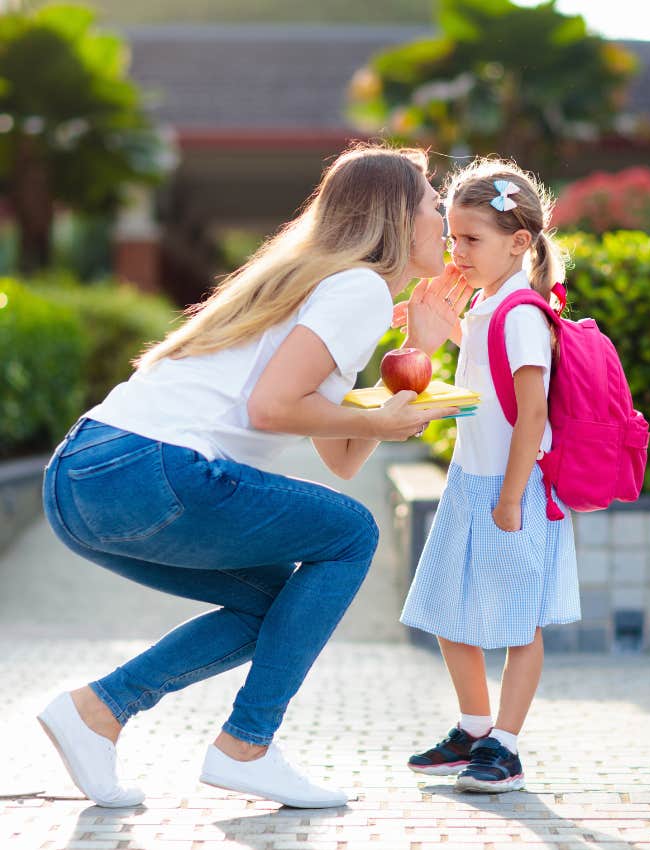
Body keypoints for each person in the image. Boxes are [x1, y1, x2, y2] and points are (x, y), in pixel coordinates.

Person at [38, 143, 468, 809]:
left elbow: (341, 456)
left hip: (84, 476)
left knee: (271, 602)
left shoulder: (329, 285)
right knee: (352, 533)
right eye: (437, 207)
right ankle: (248, 746)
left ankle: (100, 710)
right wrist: (385, 423)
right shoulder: (353, 289)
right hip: (153, 468)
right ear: (398, 220)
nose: (446, 221)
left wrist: (418, 351)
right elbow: (274, 409)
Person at [398, 159, 581, 793]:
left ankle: (506, 745)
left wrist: (509, 498)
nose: (457, 251)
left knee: (517, 622)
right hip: (469, 482)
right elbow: (478, 386)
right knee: (449, 610)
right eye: (452, 237)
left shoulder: (522, 313)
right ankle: (474, 729)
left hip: (513, 488)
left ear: (520, 241)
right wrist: (433, 329)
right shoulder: (485, 305)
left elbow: (532, 412)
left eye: (472, 239)